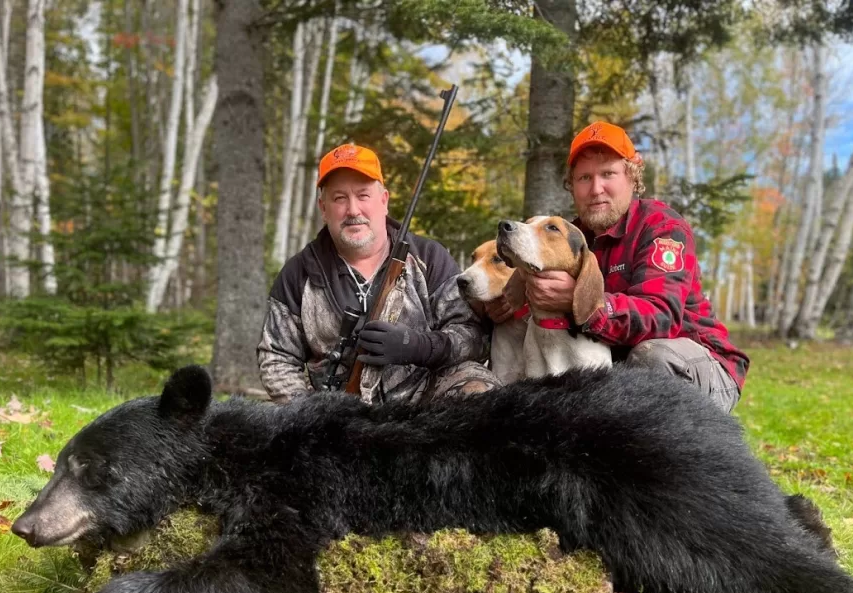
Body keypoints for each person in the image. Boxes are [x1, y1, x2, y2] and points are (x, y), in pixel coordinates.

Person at [484, 122, 750, 412]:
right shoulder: (567, 239)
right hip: (620, 371)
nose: (596, 189)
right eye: (584, 177)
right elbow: (518, 288)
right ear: (572, 186)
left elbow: (661, 317)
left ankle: (675, 452)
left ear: (632, 178)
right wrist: (503, 305)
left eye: (608, 174)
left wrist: (580, 300)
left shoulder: (662, 227)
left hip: (698, 363)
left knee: (652, 357)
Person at [257, 143, 499, 405]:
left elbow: (474, 336)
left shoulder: (428, 257)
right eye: (339, 198)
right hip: (338, 416)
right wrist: (311, 411)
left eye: (363, 196)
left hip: (428, 407)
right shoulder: (299, 273)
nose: (353, 210)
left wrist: (417, 346)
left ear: (384, 201)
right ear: (323, 208)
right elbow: (276, 357)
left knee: (479, 389)